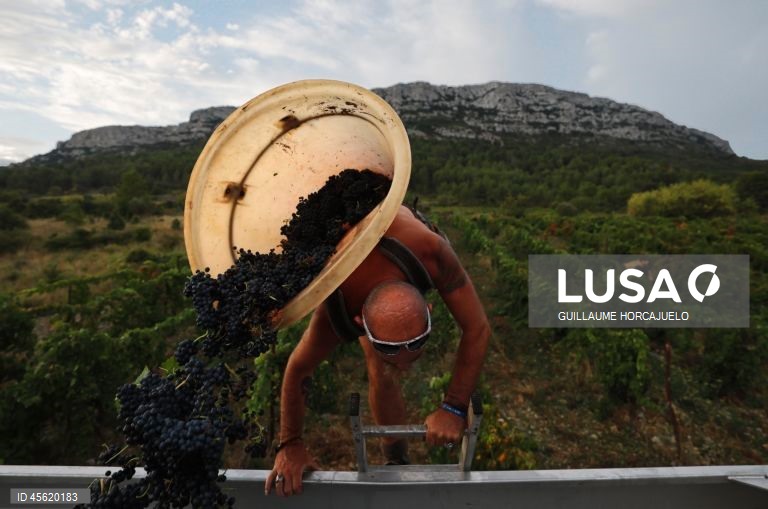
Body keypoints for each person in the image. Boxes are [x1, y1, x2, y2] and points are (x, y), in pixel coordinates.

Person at [265, 204, 491, 496]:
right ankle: (395, 452)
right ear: (360, 324)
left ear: (429, 308)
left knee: (384, 367)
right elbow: (298, 368)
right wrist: (290, 443)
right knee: (380, 372)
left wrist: (454, 407)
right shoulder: (336, 311)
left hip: (398, 230)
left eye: (417, 343)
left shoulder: (431, 252)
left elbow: (478, 328)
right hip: (347, 257)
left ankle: (396, 454)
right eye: (389, 348)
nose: (406, 365)